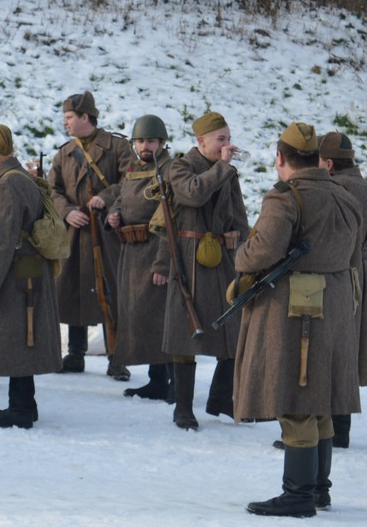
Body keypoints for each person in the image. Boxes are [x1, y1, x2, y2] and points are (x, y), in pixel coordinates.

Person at [237, 123, 363, 516]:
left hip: (296, 312)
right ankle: (318, 489)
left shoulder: (286, 198)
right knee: (319, 398)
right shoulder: (345, 197)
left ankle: (298, 495)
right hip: (336, 306)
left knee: (295, 398)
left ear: (280, 158)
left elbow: (262, 251)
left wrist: (240, 256)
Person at [161, 111, 249, 430]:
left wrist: (247, 256)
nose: (227, 144)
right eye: (221, 139)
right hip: (188, 257)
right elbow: (194, 193)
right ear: (201, 141)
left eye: (228, 138)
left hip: (221, 256)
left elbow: (238, 215)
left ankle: (221, 399)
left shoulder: (227, 172)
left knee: (232, 328)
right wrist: (223, 167)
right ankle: (183, 407)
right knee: (187, 331)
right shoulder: (180, 166)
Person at [0, 124, 61, 428]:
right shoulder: (19, 177)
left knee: (17, 337)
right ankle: (25, 403)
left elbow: (3, 239)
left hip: (17, 273)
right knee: (25, 336)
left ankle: (20, 409)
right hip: (28, 269)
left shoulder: (5, 185)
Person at [47, 91, 134, 378]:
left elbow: (131, 180)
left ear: (86, 116)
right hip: (76, 230)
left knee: (111, 290)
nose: (65, 122)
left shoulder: (117, 146)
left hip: (108, 231)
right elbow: (52, 189)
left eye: (69, 117)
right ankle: (75, 353)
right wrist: (66, 211)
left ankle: (116, 356)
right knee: (75, 287)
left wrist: (106, 198)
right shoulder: (64, 152)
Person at [105, 115, 175, 401]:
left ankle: (172, 382)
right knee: (142, 320)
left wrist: (163, 264)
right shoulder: (133, 168)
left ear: (162, 142)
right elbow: (122, 198)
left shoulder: (170, 169)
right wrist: (114, 214)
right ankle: (156, 380)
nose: (145, 146)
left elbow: (170, 219)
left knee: (161, 320)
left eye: (151, 141)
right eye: (141, 141)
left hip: (155, 251)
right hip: (132, 254)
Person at [316, 131, 367, 449]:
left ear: (330, 164)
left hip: (345, 274)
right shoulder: (361, 185)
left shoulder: (339, 190)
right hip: (357, 272)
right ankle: (339, 429)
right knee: (347, 350)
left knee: (334, 350)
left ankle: (333, 431)